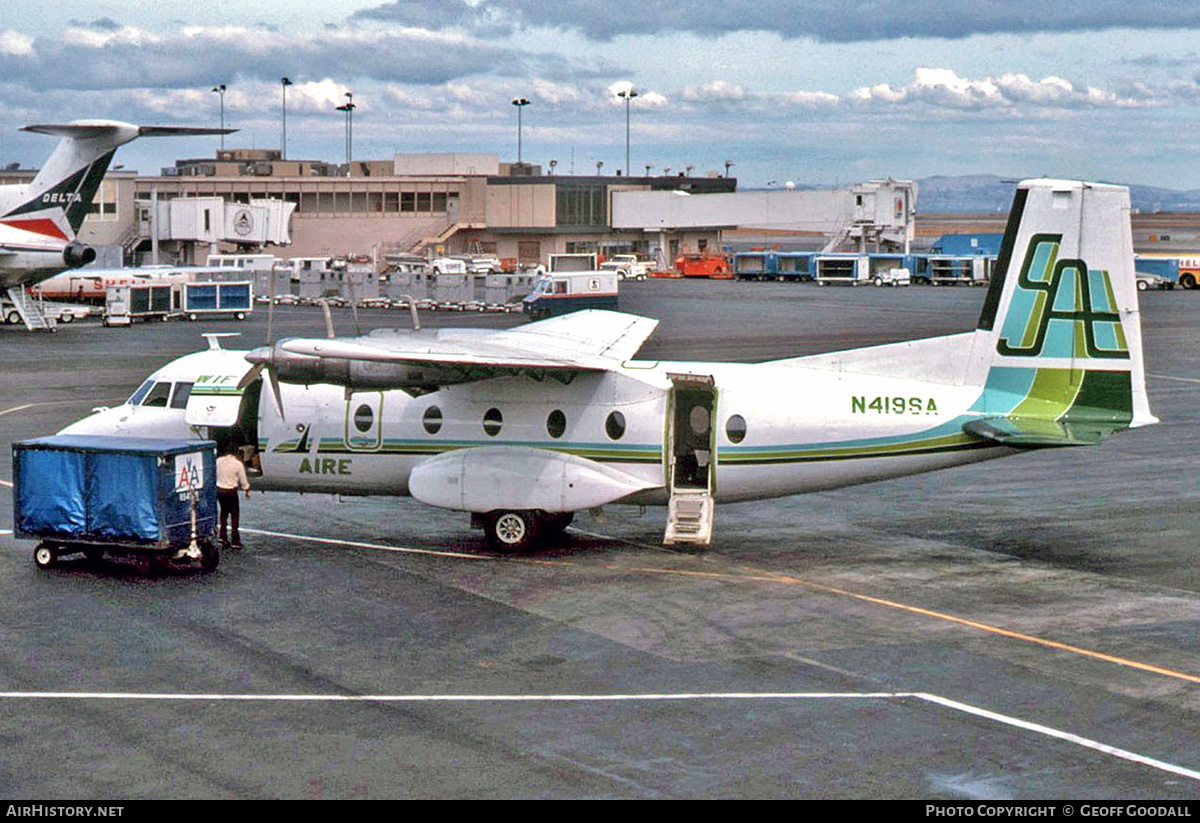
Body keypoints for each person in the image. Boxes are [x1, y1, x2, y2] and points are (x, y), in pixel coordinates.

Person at [216, 443, 251, 549]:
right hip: (231, 491)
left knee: (223, 513)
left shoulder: (218, 461)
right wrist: (246, 489)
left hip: (220, 490)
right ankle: (235, 540)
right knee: (234, 515)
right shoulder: (238, 464)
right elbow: (243, 479)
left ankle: (222, 537)